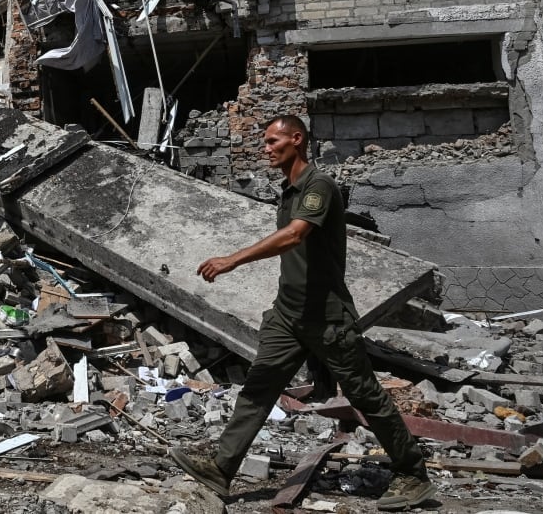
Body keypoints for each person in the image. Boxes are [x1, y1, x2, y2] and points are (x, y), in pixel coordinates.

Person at [169, 115, 436, 512]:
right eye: (265, 141)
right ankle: (221, 469)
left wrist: (233, 260)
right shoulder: (288, 190)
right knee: (260, 386)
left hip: (326, 317)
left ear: (297, 140)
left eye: (273, 140)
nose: (266, 148)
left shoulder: (318, 186)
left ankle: (413, 474)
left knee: (364, 394)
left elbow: (295, 235)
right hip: (288, 314)